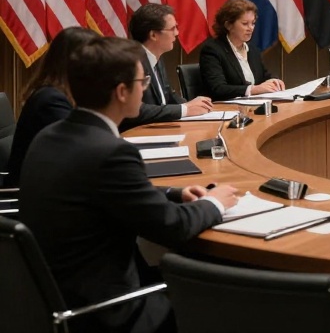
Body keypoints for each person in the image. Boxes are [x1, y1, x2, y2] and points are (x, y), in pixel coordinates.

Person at [19, 36, 239, 333]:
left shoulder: (51, 136)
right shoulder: (111, 152)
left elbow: (105, 192)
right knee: (231, 298)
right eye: (142, 81)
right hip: (105, 312)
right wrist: (214, 203)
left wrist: (175, 192)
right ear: (122, 92)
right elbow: (172, 227)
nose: (145, 88)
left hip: (48, 300)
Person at [4, 27, 99, 187]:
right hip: (34, 198)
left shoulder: (64, 93)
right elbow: (82, 150)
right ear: (77, 62)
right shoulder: (51, 100)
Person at [126, 3, 214, 127]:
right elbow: (135, 110)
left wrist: (195, 105)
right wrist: (184, 109)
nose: (177, 33)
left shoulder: (157, 57)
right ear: (153, 35)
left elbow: (169, 95)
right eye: (172, 29)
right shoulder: (131, 62)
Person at [198, 0, 285, 99]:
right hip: (224, 109)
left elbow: (264, 76)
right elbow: (218, 88)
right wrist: (252, 90)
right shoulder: (212, 50)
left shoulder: (252, 49)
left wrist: (274, 81)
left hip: (251, 106)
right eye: (245, 24)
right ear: (229, 25)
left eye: (253, 23)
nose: (251, 28)